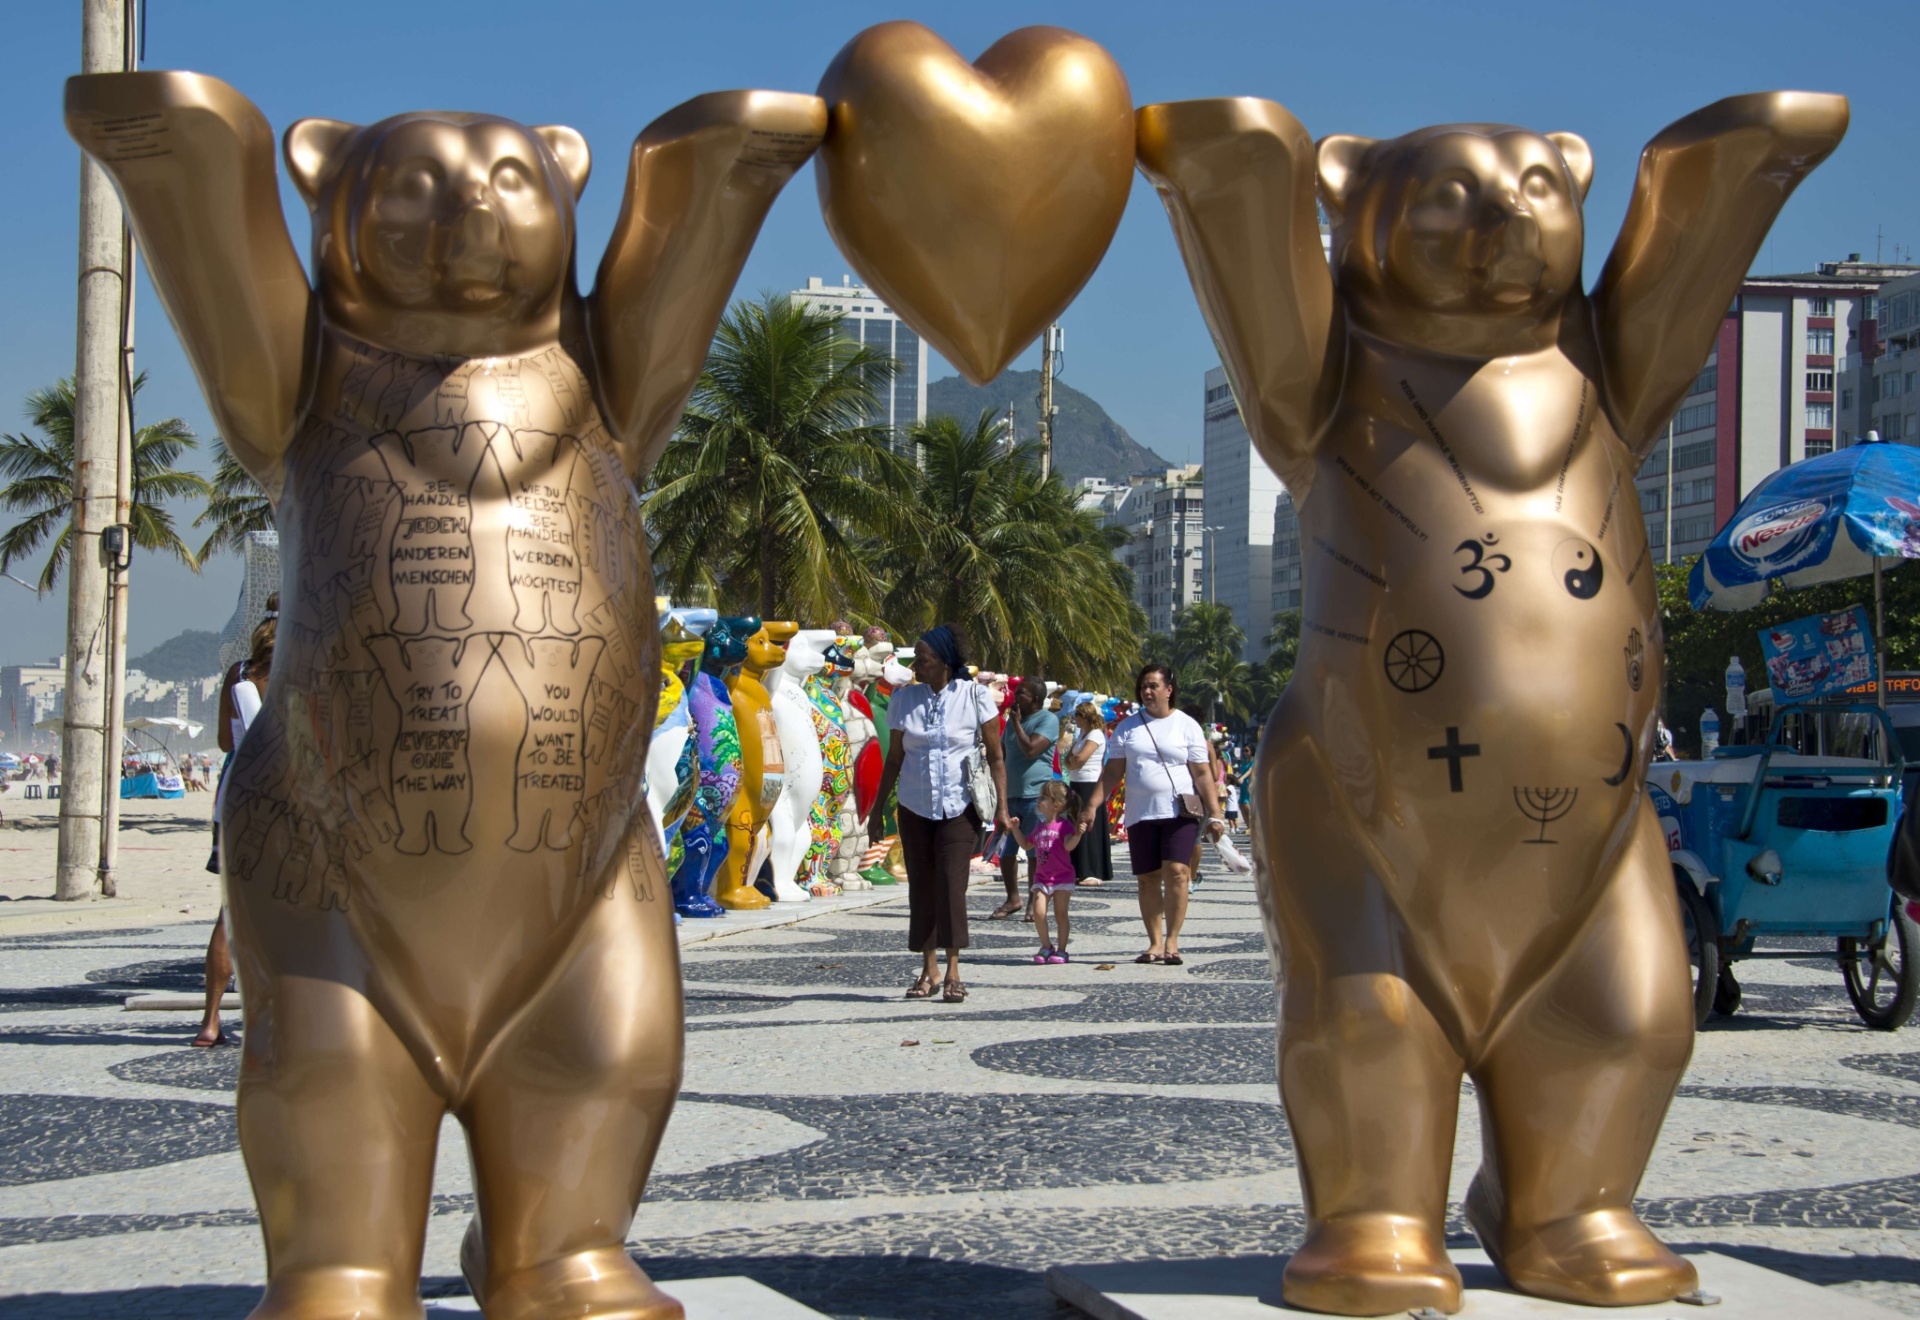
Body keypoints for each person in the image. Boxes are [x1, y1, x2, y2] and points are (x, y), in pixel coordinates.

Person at [869, 623, 1009, 1003]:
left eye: (924, 657)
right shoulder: (903, 700)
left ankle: (954, 970)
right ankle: (927, 968)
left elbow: (996, 757)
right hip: (914, 808)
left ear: (944, 660)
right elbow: (894, 759)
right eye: (916, 657)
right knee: (922, 888)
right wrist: (878, 807)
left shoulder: (975, 696)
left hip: (958, 809)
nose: (917, 664)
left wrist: (1003, 810)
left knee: (952, 886)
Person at [1078, 664, 1224, 965]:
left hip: (1179, 812)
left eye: (1153, 686)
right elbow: (1113, 772)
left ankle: (1172, 942)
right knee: (1146, 878)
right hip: (1141, 812)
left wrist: (1216, 813)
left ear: (1169, 689)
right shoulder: (1127, 728)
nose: (1146, 691)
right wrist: (1092, 804)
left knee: (1177, 874)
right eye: (1143, 686)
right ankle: (1155, 943)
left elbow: (1202, 773)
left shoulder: (1186, 726)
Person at [196, 607, 274, 1047]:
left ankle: (209, 1022)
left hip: (235, 795)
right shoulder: (301, 668)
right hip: (283, 795)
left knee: (230, 910)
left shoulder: (239, 673)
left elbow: (226, 743)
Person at [995, 675, 1060, 920]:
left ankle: (1034, 901)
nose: (1015, 697)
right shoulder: (1013, 722)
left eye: (1021, 693)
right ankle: (1013, 898)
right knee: (1007, 852)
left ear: (1035, 699)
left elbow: (1031, 749)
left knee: (1035, 852)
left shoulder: (1048, 720)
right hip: (1011, 796)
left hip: (1036, 797)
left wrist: (1017, 723)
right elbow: (1001, 754)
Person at [1009, 780, 1083, 963]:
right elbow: (1026, 844)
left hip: (1062, 878)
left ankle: (1062, 950)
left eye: (1043, 798)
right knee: (1038, 912)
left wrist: (1078, 835)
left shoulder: (1064, 826)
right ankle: (1046, 946)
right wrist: (1016, 831)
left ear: (1056, 805)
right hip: (1042, 878)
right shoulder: (1040, 827)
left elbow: (1068, 846)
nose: (1038, 800)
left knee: (1060, 914)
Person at [1065, 701, 1111, 886]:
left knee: (1087, 825)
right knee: (1075, 823)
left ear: (1083, 716)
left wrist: (1072, 762)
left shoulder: (1095, 734)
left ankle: (1091, 870)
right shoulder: (1082, 735)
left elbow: (1079, 759)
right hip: (1077, 782)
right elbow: (1069, 758)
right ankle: (1078, 867)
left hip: (1089, 784)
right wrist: (1071, 762)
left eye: (1076, 715)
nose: (1074, 719)